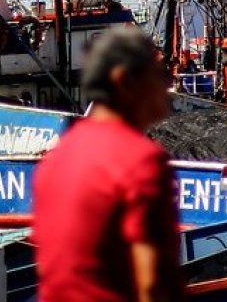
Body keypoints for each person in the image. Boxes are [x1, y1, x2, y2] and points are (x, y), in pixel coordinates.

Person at [33, 27, 181, 302]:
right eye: (160, 75)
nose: (168, 86)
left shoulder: (56, 159)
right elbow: (153, 285)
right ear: (125, 81)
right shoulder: (142, 162)